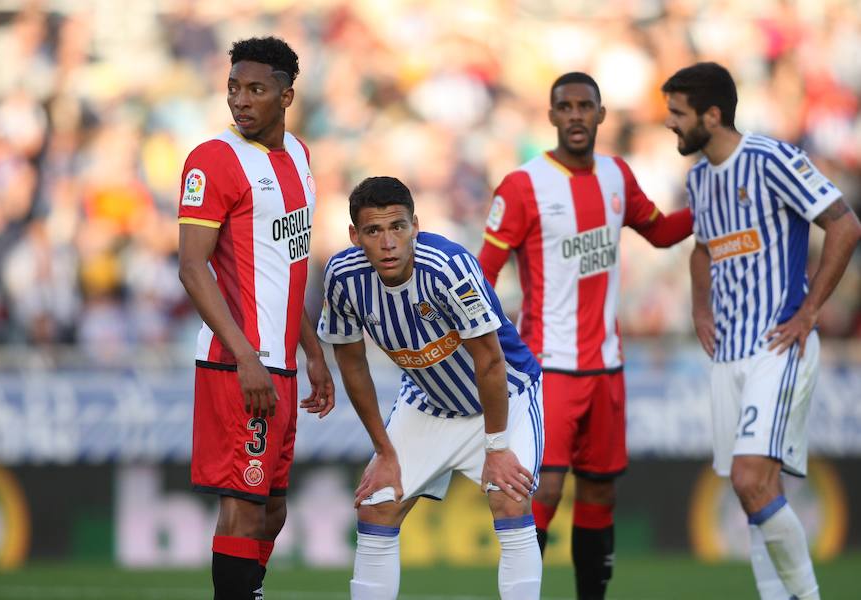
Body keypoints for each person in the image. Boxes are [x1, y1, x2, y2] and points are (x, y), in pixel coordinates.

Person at [477, 72, 693, 600]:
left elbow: (661, 231)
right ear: (551, 116)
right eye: (565, 106)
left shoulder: (618, 175)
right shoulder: (523, 185)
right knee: (543, 487)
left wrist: (713, 207)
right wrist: (503, 349)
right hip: (549, 369)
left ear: (601, 115)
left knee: (599, 490)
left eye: (585, 106)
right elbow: (482, 277)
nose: (575, 115)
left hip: (607, 368)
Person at [662, 62, 861, 600]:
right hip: (728, 352)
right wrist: (701, 308)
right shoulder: (700, 178)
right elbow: (703, 248)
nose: (670, 125)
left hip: (778, 343)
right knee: (753, 492)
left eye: (678, 114)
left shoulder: (772, 159)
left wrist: (810, 310)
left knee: (752, 479)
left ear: (712, 114)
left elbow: (844, 224)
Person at [318, 176, 544, 600]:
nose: (388, 243)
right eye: (373, 231)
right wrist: (384, 450)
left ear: (415, 226)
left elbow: (491, 361)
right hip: (430, 402)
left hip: (505, 396)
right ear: (354, 236)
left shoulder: (448, 267)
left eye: (397, 228)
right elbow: (351, 362)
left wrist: (496, 447)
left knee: (509, 498)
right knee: (378, 503)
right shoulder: (342, 277)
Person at [177, 36, 334, 600]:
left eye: (256, 90)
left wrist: (312, 350)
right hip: (237, 364)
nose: (241, 101)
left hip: (283, 364)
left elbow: (284, 269)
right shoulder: (212, 160)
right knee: (243, 509)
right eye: (234, 89)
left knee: (272, 508)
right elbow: (193, 269)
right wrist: (246, 356)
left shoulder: (301, 157)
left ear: (286, 96)